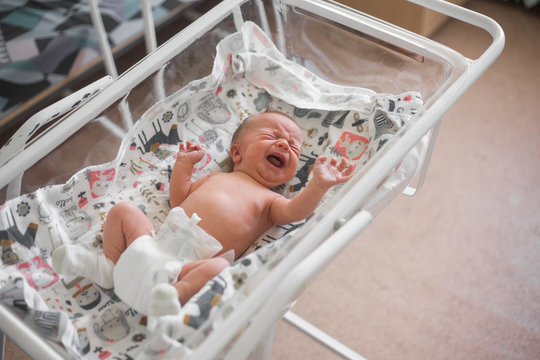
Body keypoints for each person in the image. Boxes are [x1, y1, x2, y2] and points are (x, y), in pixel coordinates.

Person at [52, 112, 356, 315]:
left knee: (219, 271)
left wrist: (317, 186)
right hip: (154, 243)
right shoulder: (216, 177)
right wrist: (184, 166)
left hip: (190, 265)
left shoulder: (269, 200)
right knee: (124, 210)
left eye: (292, 146)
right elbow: (179, 199)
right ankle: (108, 265)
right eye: (273, 136)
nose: (284, 144)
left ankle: (175, 295)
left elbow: (295, 212)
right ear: (236, 153)